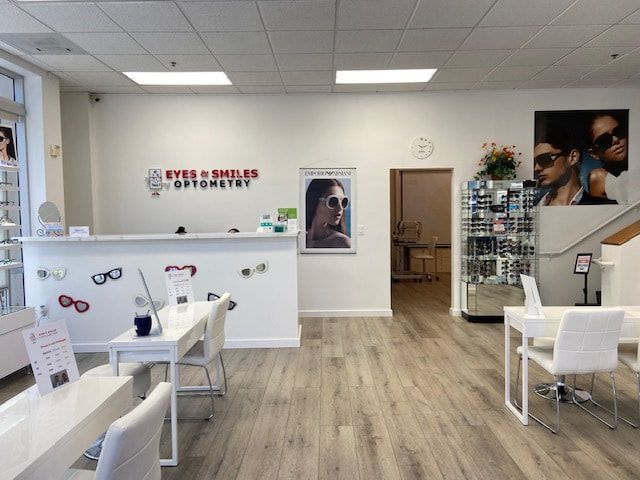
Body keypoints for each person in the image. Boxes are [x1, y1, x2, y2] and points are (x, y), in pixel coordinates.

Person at [534, 113, 596, 206]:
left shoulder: (597, 205)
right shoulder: (534, 209)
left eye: (544, 159)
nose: (536, 168)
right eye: (534, 163)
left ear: (572, 157)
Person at [585, 112, 628, 203]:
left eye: (618, 131)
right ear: (594, 153)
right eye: (604, 140)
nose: (616, 140)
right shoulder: (598, 178)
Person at [305, 178, 352, 248]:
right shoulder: (299, 239)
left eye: (343, 202)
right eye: (333, 201)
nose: (340, 208)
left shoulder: (344, 243)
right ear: (314, 201)